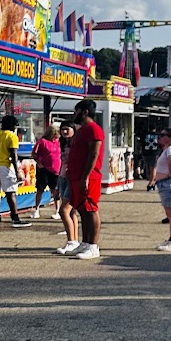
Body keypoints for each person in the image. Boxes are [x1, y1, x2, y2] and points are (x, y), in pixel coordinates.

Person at [64, 97, 103, 260]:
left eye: (76, 111)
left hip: (88, 177)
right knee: (82, 209)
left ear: (85, 112)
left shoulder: (94, 129)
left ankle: (93, 246)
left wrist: (85, 176)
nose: (74, 114)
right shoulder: (82, 130)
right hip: (77, 176)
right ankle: (86, 242)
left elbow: (94, 153)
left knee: (90, 209)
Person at [0, 112, 24, 228]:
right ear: (13, 126)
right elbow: (14, 154)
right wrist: (17, 171)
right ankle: (15, 218)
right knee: (10, 192)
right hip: (6, 166)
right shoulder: (12, 136)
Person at [56, 121, 79, 253]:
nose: (64, 132)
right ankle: (74, 240)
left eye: (67, 129)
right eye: (62, 129)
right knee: (71, 212)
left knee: (64, 211)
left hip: (73, 179)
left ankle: (72, 241)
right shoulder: (62, 143)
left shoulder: (75, 144)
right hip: (62, 177)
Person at [32, 123, 62, 220]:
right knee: (40, 189)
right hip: (44, 169)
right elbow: (34, 154)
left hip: (56, 170)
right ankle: (36, 209)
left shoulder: (59, 141)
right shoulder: (42, 141)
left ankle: (57, 211)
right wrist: (39, 164)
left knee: (55, 191)